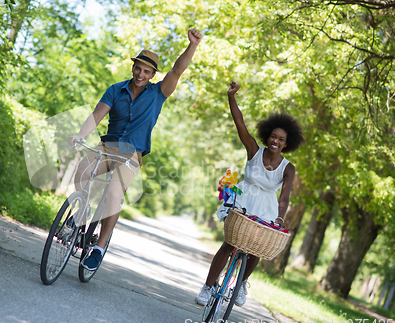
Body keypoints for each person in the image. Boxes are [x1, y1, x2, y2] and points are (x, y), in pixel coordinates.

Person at [69, 29, 203, 271]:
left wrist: (191, 46)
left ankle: (98, 248)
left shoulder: (158, 93)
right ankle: (81, 212)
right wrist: (80, 134)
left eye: (147, 71)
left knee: (113, 194)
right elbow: (97, 115)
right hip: (108, 145)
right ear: (133, 68)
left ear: (153, 75)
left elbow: (177, 70)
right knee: (81, 171)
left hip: (132, 153)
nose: (141, 74)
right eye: (138, 68)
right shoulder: (115, 89)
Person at [195, 81, 304, 307]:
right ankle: (207, 287)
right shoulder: (254, 150)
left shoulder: (288, 168)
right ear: (268, 136)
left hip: (267, 206)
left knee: (258, 248)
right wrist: (231, 96)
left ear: (286, 143)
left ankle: (242, 282)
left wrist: (280, 217)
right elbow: (239, 122)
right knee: (228, 244)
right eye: (273, 136)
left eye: (281, 139)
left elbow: (284, 197)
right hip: (243, 198)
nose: (276, 141)